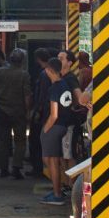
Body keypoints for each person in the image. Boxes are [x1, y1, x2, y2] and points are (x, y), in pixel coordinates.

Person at [0, 49, 31, 179]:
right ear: (22, 61)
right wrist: (28, 111)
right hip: (18, 112)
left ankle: (3, 168)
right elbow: (27, 96)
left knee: (3, 140)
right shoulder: (24, 75)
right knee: (20, 140)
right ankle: (16, 168)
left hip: (1, 110)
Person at [39, 57, 75, 205]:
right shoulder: (65, 84)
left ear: (48, 70)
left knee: (50, 160)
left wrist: (45, 129)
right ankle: (58, 189)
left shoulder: (53, 88)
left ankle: (57, 194)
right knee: (56, 159)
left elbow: (54, 114)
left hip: (54, 127)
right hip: (64, 126)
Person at [28, 48, 52, 176]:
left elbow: (42, 95)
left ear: (38, 59)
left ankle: (38, 168)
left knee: (36, 141)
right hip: (47, 111)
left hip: (42, 113)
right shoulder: (51, 72)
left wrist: (37, 111)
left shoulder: (44, 74)